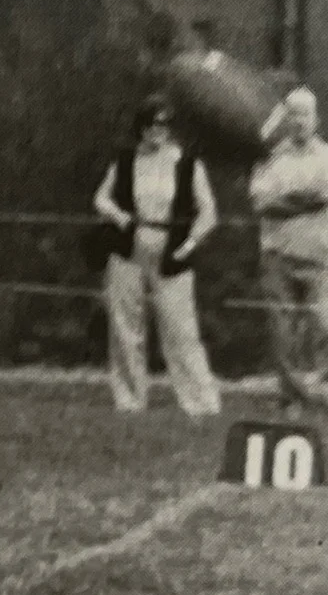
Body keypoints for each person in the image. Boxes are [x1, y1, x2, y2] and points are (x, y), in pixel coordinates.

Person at [93, 93, 221, 417]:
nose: (157, 132)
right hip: (128, 250)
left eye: (164, 125)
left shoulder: (188, 164)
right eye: (151, 125)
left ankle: (201, 403)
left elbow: (208, 213)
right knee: (125, 328)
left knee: (181, 330)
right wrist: (118, 216)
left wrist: (190, 244)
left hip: (172, 252)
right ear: (141, 128)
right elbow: (101, 198)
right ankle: (129, 400)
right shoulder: (124, 161)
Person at [248, 86, 328, 413]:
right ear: (286, 118)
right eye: (292, 114)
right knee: (282, 330)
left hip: (320, 255)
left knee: (323, 323)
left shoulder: (326, 157)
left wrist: (288, 201)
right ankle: (291, 398)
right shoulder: (270, 157)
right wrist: (305, 200)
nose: (298, 121)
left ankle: (321, 393)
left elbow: (322, 197)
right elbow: (262, 205)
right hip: (277, 255)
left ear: (316, 118)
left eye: (304, 114)